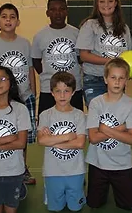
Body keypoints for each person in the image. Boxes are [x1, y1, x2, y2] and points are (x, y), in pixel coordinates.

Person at [85, 58, 132, 210]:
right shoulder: (96, 103)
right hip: (98, 163)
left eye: (121, 78)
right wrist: (121, 128)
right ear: (105, 79)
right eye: (113, 78)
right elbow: (93, 138)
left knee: (129, 206)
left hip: (122, 164)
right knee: (94, 204)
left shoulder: (131, 104)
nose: (117, 82)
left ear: (126, 81)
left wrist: (104, 128)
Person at [0, 3, 36, 185]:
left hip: (24, 96)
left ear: (18, 21)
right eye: (4, 17)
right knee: (3, 131)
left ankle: (22, 168)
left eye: (12, 17)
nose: (8, 20)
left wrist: (33, 93)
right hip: (3, 98)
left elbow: (29, 69)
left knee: (23, 137)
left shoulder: (25, 43)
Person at [37, 71, 86, 212]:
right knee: (56, 208)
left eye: (66, 91)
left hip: (75, 171)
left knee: (75, 208)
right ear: (51, 92)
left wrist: (52, 140)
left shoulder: (79, 115)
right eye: (58, 91)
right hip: (53, 172)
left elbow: (80, 143)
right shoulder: (45, 115)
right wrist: (67, 136)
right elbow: (41, 140)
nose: (62, 95)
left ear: (73, 92)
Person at [76, 0, 131, 107]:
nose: (106, 4)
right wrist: (111, 61)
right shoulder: (90, 25)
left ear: (116, 3)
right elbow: (84, 55)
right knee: (100, 117)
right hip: (94, 78)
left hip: (117, 79)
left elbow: (128, 56)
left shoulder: (124, 28)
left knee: (116, 116)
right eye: (102, 1)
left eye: (110, 1)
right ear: (97, 4)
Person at [31, 0, 83, 115]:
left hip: (73, 88)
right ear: (47, 13)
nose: (58, 13)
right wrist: (50, 75)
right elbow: (36, 61)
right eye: (53, 10)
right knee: (46, 126)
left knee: (76, 125)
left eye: (61, 9)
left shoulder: (77, 33)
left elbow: (81, 59)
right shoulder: (40, 36)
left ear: (66, 11)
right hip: (48, 89)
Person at [0, 65, 31, 213]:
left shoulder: (20, 109)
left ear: (11, 83)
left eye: (2, 78)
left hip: (14, 172)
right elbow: (15, 140)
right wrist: (10, 138)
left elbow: (21, 143)